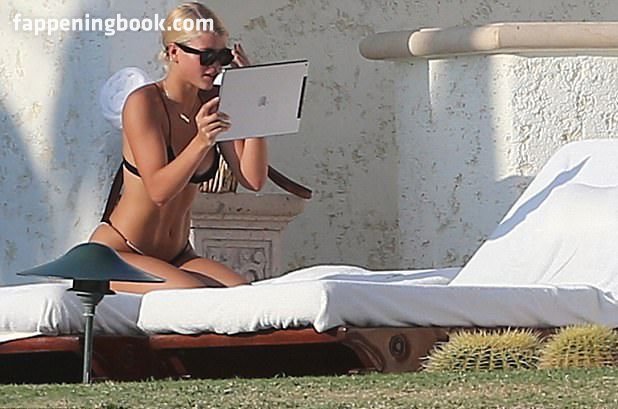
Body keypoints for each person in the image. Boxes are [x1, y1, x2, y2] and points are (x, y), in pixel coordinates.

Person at [89, 2, 268, 293]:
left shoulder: (215, 102)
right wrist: (201, 141)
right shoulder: (144, 103)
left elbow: (253, 179)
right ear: (174, 52)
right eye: (206, 56)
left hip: (179, 255)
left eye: (222, 57)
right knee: (192, 298)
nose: (215, 66)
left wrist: (256, 109)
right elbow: (159, 191)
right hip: (119, 253)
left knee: (244, 296)